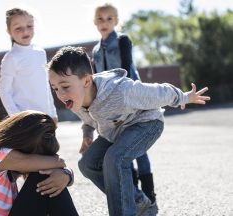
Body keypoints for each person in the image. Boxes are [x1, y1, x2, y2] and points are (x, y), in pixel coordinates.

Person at [47, 46, 210, 216]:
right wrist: (87, 135)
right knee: (87, 164)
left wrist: (184, 97)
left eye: (64, 86)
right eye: (55, 88)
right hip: (115, 131)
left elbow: (158, 92)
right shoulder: (75, 98)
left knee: (115, 158)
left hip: (146, 124)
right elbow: (88, 119)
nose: (60, 94)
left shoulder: (120, 91)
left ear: (87, 81)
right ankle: (138, 201)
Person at [91, 3, 156, 205]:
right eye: (100, 19)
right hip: (110, 107)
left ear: (117, 21)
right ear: (95, 22)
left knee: (139, 149)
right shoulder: (94, 51)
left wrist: (135, 101)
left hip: (131, 100)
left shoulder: (122, 41)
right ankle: (136, 196)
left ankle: (150, 195)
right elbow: (96, 80)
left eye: (109, 18)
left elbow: (127, 69)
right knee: (122, 148)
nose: (105, 23)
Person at [0, 110, 78, 216]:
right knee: (43, 175)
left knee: (49, 178)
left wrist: (66, 174)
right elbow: (59, 162)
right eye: (37, 155)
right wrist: (66, 173)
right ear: (26, 144)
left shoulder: (2, 157)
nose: (37, 160)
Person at [0, 8, 58, 123]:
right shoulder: (11, 58)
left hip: (46, 117)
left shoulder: (40, 53)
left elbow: (45, 85)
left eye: (29, 26)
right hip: (26, 120)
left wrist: (53, 112)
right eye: (18, 28)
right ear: (9, 31)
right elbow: (4, 92)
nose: (25, 31)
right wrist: (17, 117)